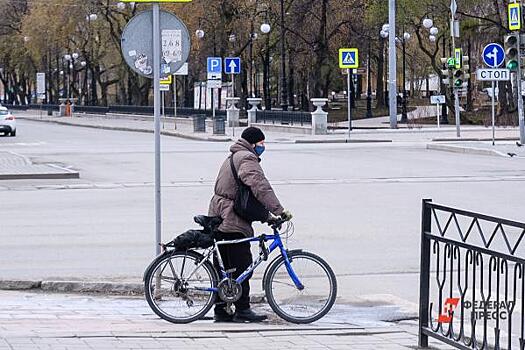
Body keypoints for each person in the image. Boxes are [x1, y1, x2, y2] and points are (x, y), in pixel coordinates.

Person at [208, 126, 292, 323]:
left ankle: (222, 310)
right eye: (262, 143)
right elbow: (259, 186)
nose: (263, 147)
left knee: (225, 266)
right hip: (231, 218)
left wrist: (266, 216)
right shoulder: (246, 158)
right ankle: (243, 309)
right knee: (241, 264)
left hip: (219, 214)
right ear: (253, 143)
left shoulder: (233, 156)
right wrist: (279, 211)